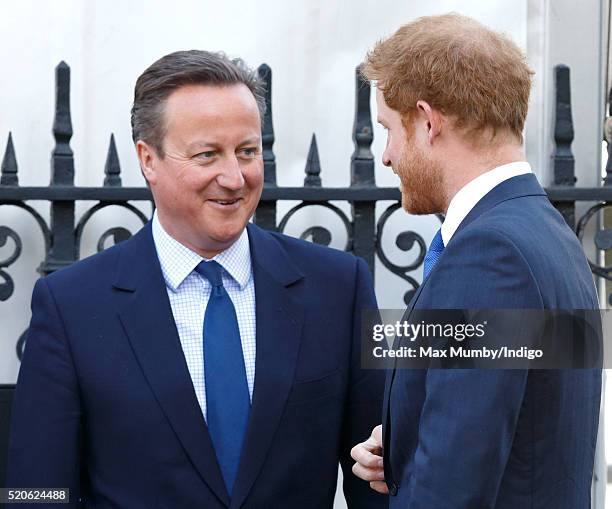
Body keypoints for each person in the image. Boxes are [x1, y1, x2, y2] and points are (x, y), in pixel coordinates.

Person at [6, 50, 387, 509]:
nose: (234, 177)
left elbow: (379, 474)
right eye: (207, 155)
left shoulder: (338, 286)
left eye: (247, 152)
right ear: (148, 159)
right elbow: (34, 490)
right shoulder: (71, 304)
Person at [350, 14, 602, 509]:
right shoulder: (548, 234)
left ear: (426, 121)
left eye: (388, 129)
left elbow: (454, 489)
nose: (386, 156)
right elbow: (524, 425)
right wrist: (402, 447)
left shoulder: (490, 256)